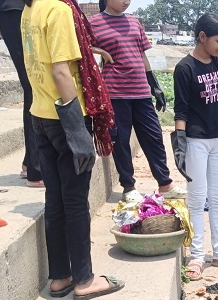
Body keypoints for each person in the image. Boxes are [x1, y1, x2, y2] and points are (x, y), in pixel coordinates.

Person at [21, 0, 124, 300]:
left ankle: (60, 277)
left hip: (40, 114)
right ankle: (84, 279)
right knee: (76, 200)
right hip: (65, 117)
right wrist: (77, 130)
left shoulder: (31, 9)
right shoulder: (59, 10)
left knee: (55, 198)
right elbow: (61, 72)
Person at [172, 13, 218, 280]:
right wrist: (179, 145)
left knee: (217, 197)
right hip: (195, 141)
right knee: (196, 198)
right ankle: (196, 256)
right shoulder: (185, 68)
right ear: (202, 37)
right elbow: (180, 110)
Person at [89, 0, 186, 202]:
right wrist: (102, 52)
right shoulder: (95, 22)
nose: (127, 1)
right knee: (121, 140)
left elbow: (141, 54)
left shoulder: (134, 22)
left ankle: (165, 183)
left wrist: (154, 84)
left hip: (140, 90)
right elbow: (80, 46)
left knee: (153, 137)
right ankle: (128, 186)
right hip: (115, 92)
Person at [0, 0, 43, 187]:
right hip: (16, 10)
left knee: (35, 86)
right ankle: (35, 170)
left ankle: (30, 163)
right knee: (33, 88)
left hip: (26, 10)